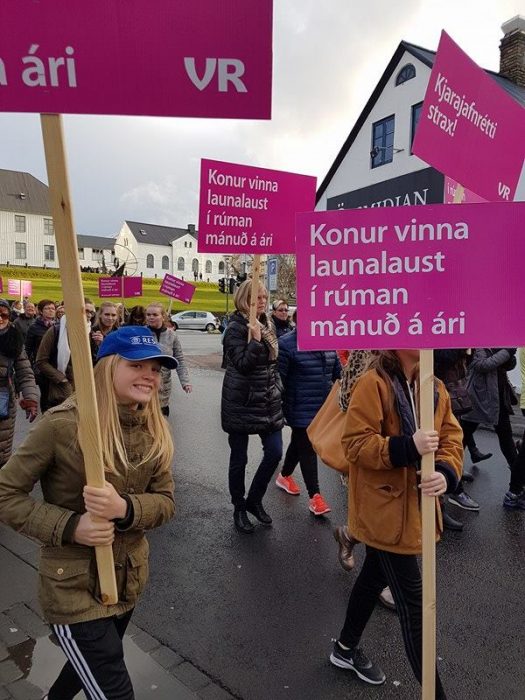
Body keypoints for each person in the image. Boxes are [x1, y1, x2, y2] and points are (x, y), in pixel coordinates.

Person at [0, 325, 176, 699]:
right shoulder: (62, 424)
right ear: (108, 366)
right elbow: (5, 494)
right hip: (73, 589)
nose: (149, 374)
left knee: (84, 671)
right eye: (137, 364)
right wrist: (71, 526)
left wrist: (125, 508)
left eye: (156, 369)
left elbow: (166, 502)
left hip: (127, 580)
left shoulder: (155, 428)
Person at [331, 350, 462, 697]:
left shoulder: (432, 385)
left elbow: (451, 438)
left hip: (413, 511)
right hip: (383, 514)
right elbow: (355, 445)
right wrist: (406, 447)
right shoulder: (372, 383)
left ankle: (344, 649)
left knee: (373, 574)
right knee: (416, 607)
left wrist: (446, 474)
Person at [221, 280, 284, 533]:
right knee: (239, 458)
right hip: (241, 400)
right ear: (244, 299)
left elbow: (274, 361)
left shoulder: (267, 323)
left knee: (274, 452)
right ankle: (238, 506)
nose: (262, 302)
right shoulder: (236, 327)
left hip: (267, 399)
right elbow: (243, 364)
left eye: (264, 297)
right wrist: (255, 341)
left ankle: (254, 500)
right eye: (256, 297)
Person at [275, 310, 340, 515]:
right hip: (298, 406)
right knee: (307, 445)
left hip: (322, 408)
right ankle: (316, 497)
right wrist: (279, 407)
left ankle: (284, 475)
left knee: (299, 443)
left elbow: (337, 373)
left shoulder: (328, 341)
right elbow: (279, 379)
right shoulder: (286, 344)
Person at [454, 348, 518, 511]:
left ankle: (518, 484)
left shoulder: (500, 341)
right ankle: (453, 478)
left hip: (498, 399)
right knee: (461, 438)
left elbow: (508, 365)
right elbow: (481, 364)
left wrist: (510, 357)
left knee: (507, 440)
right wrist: (506, 352)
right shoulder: (482, 341)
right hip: (478, 399)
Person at [35, 299, 98, 411]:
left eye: (91, 312)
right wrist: (61, 379)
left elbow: (94, 361)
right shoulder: (55, 331)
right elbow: (41, 361)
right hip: (58, 387)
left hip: (81, 388)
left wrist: (99, 344)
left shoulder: (91, 334)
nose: (88, 315)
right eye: (85, 311)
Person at [0, 299, 39, 468]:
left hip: (3, 400)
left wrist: (30, 398)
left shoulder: (14, 339)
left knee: (1, 450)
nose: (0, 319)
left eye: (4, 315)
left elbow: (25, 372)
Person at [145, 302, 192, 416]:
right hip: (145, 382)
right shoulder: (140, 333)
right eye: (148, 314)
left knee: (162, 418)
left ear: (163, 316)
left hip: (163, 385)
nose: (151, 317)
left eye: (155, 314)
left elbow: (179, 359)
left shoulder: (172, 336)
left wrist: (185, 382)